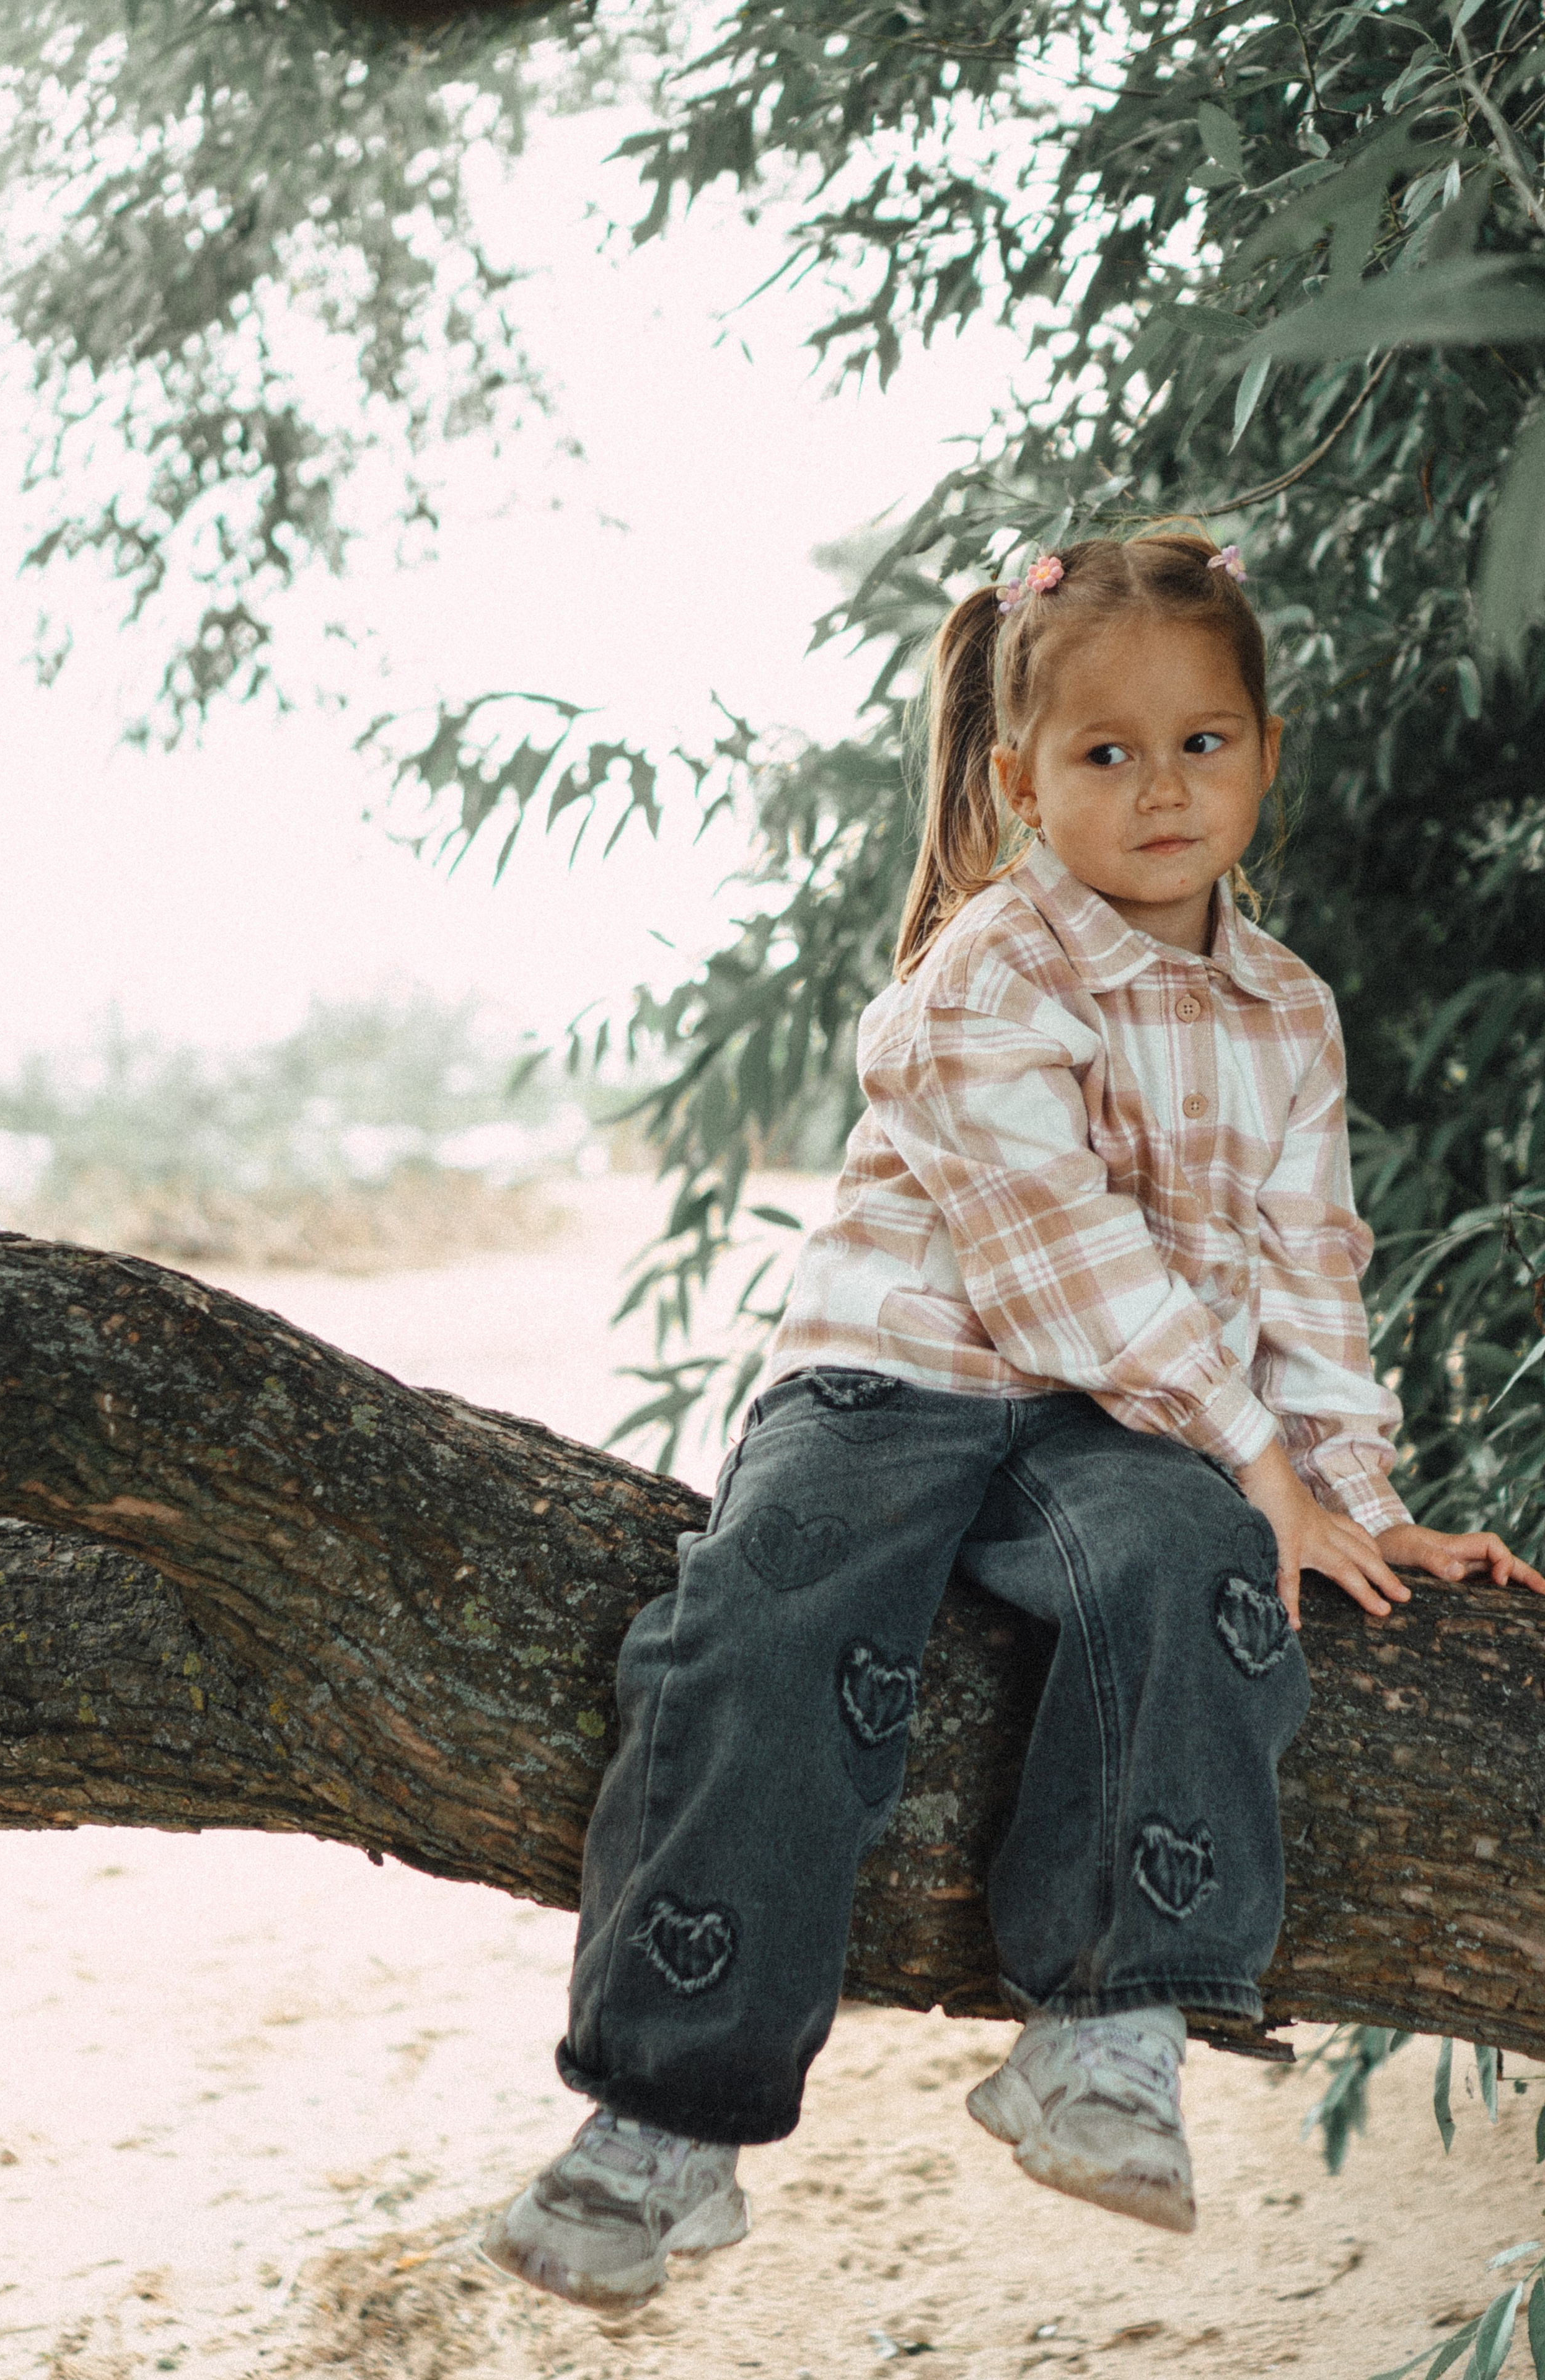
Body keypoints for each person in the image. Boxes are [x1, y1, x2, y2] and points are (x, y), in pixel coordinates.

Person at [482, 529, 1545, 2312]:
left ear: (1267, 753)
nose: (1162, 790)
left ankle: (1109, 2026)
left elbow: (1310, 1273)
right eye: (1105, 753)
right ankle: (665, 2118)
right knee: (771, 1620)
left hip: (1121, 1421)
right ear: (1019, 782)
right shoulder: (989, 973)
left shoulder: (1287, 1012)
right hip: (895, 1382)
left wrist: (1345, 1498)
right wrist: (1258, 1455)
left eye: (1202, 743)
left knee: (1200, 1561)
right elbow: (1068, 1270)